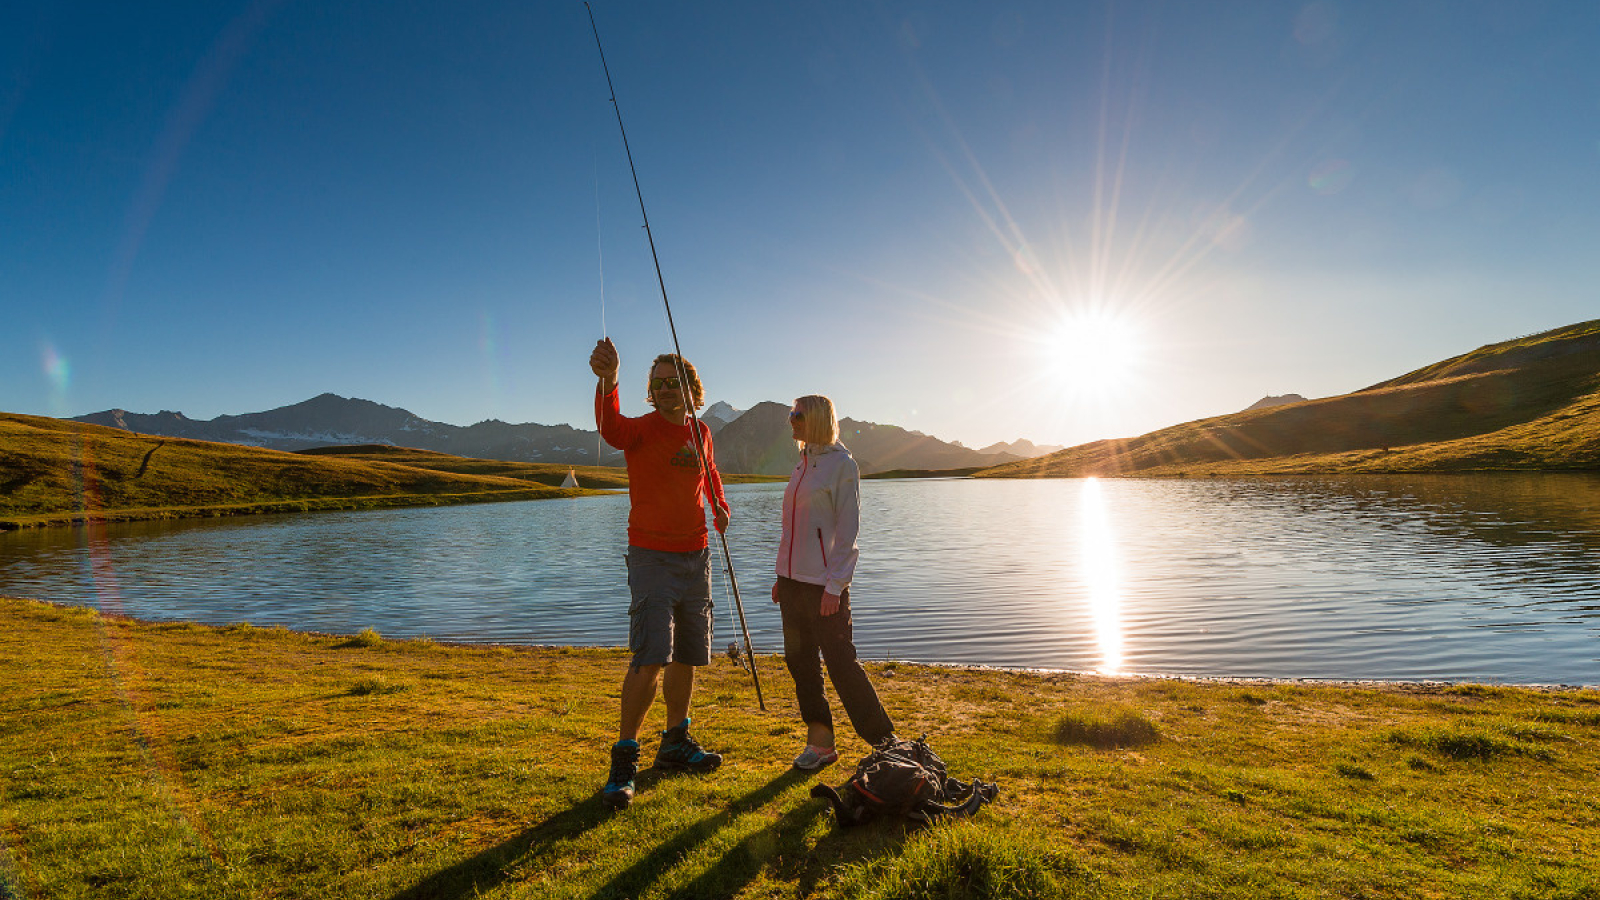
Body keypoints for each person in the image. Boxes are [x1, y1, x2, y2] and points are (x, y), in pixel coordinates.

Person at [589, 337, 732, 810]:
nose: (666, 390)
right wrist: (609, 379)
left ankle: (675, 742)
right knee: (651, 655)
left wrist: (720, 507)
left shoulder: (702, 432)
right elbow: (609, 426)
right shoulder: (641, 430)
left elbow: (710, 474)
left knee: (688, 654)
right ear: (649, 390)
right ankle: (624, 759)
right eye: (658, 384)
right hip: (652, 556)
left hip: (698, 555)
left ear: (693, 388)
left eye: (675, 383)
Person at [772, 394, 895, 772]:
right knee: (801, 665)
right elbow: (792, 529)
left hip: (824, 588)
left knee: (843, 666)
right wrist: (781, 576)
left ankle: (886, 745)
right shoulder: (802, 463)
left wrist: (835, 586)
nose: (791, 420)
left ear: (819, 419)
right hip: (793, 586)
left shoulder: (842, 465)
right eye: (791, 414)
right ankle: (820, 744)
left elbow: (847, 532)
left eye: (798, 415)